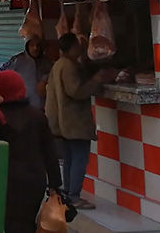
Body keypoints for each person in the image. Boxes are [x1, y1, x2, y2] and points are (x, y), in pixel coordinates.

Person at [0, 70, 63, 233]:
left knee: (6, 225)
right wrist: (55, 184)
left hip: (5, 182)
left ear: (6, 91)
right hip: (34, 182)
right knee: (26, 224)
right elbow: (50, 152)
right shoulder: (38, 116)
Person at [46, 32, 114, 210]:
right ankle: (74, 196)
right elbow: (76, 91)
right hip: (73, 122)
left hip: (64, 123)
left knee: (70, 159)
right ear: (73, 47)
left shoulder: (60, 64)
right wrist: (96, 79)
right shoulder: (68, 66)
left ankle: (68, 194)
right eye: (78, 45)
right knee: (78, 159)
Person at [0, 37, 53, 110]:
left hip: (42, 108)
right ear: (27, 46)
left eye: (38, 45)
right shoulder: (18, 60)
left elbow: (52, 73)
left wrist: (44, 80)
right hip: (23, 108)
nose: (35, 48)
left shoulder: (46, 62)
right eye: (32, 45)